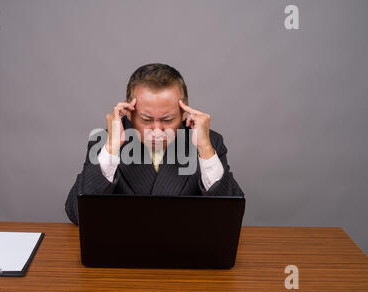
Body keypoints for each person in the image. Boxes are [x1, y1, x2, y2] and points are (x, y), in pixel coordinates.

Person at [65, 63, 243, 225]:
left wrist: (205, 150)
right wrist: (111, 148)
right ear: (128, 112)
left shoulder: (209, 142)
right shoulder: (105, 141)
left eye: (167, 119)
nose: (157, 130)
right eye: (146, 119)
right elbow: (77, 214)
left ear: (184, 113)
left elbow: (229, 217)